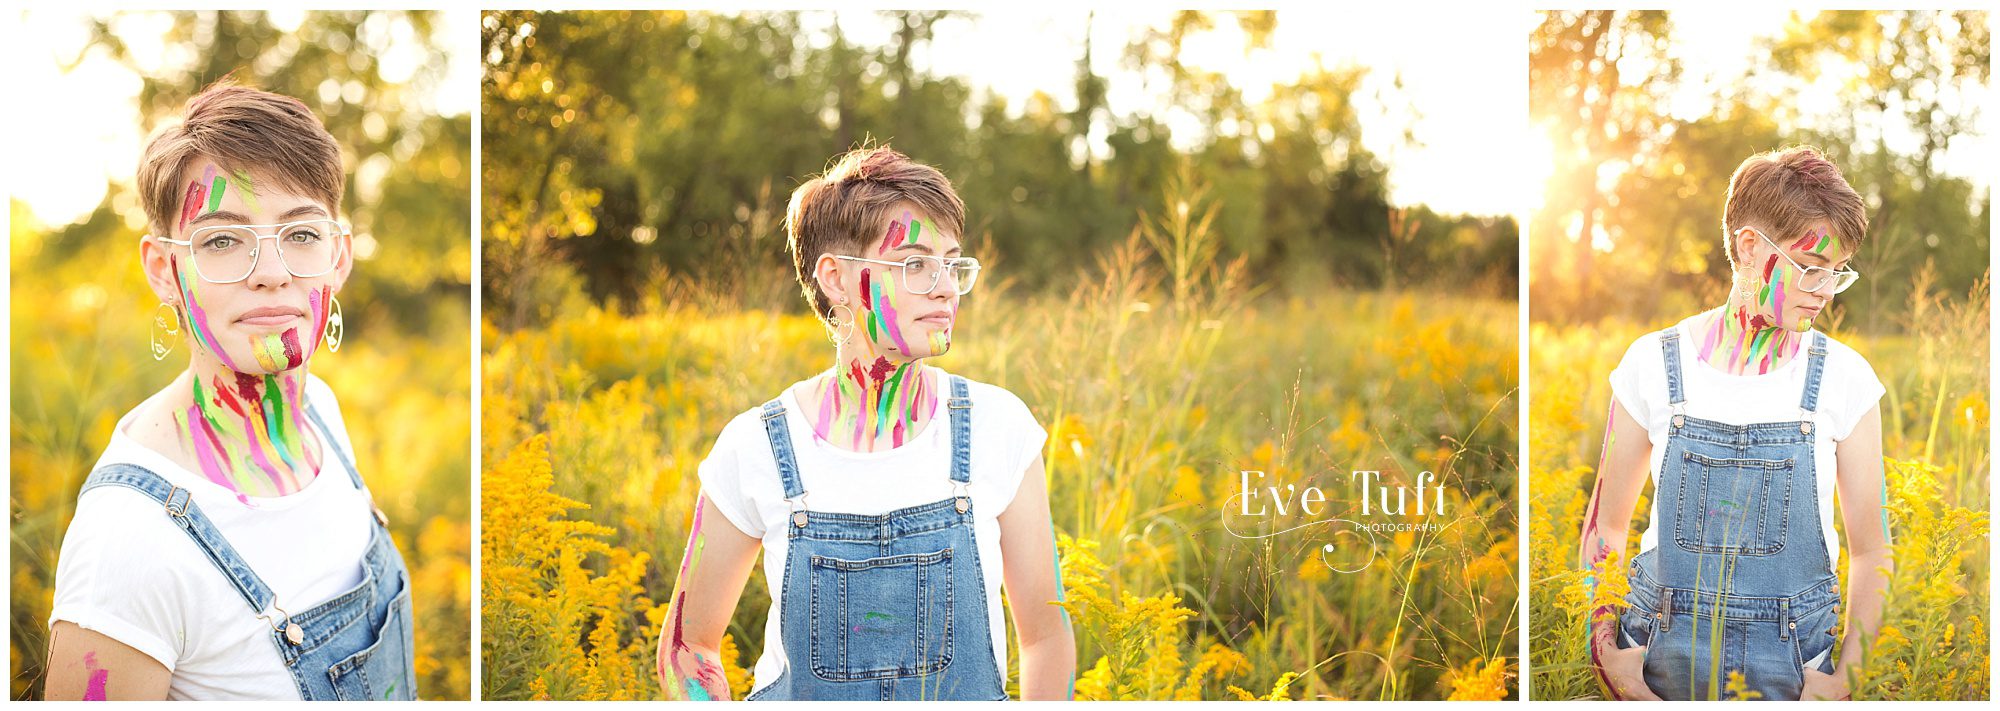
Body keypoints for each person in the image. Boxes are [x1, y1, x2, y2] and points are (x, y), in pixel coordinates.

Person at [653, 146, 1075, 700]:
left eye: (953, 263)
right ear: (836, 278)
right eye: (916, 264)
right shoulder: (755, 446)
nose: (946, 286)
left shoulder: (1000, 428)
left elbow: (1045, 637)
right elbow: (688, 648)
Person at [43, 82, 416, 701]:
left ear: (339, 258)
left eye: (301, 235)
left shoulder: (321, 413)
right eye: (221, 241)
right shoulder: (126, 540)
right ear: (164, 269)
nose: (271, 273)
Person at [1580, 146, 1889, 701]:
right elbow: (1605, 527)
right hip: (1656, 666)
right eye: (1811, 269)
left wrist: (1847, 677)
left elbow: (1872, 551)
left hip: (1793, 673)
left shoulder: (1846, 378)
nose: (1824, 292)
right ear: (1750, 247)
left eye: (1837, 275)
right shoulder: (1652, 363)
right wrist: (1605, 651)